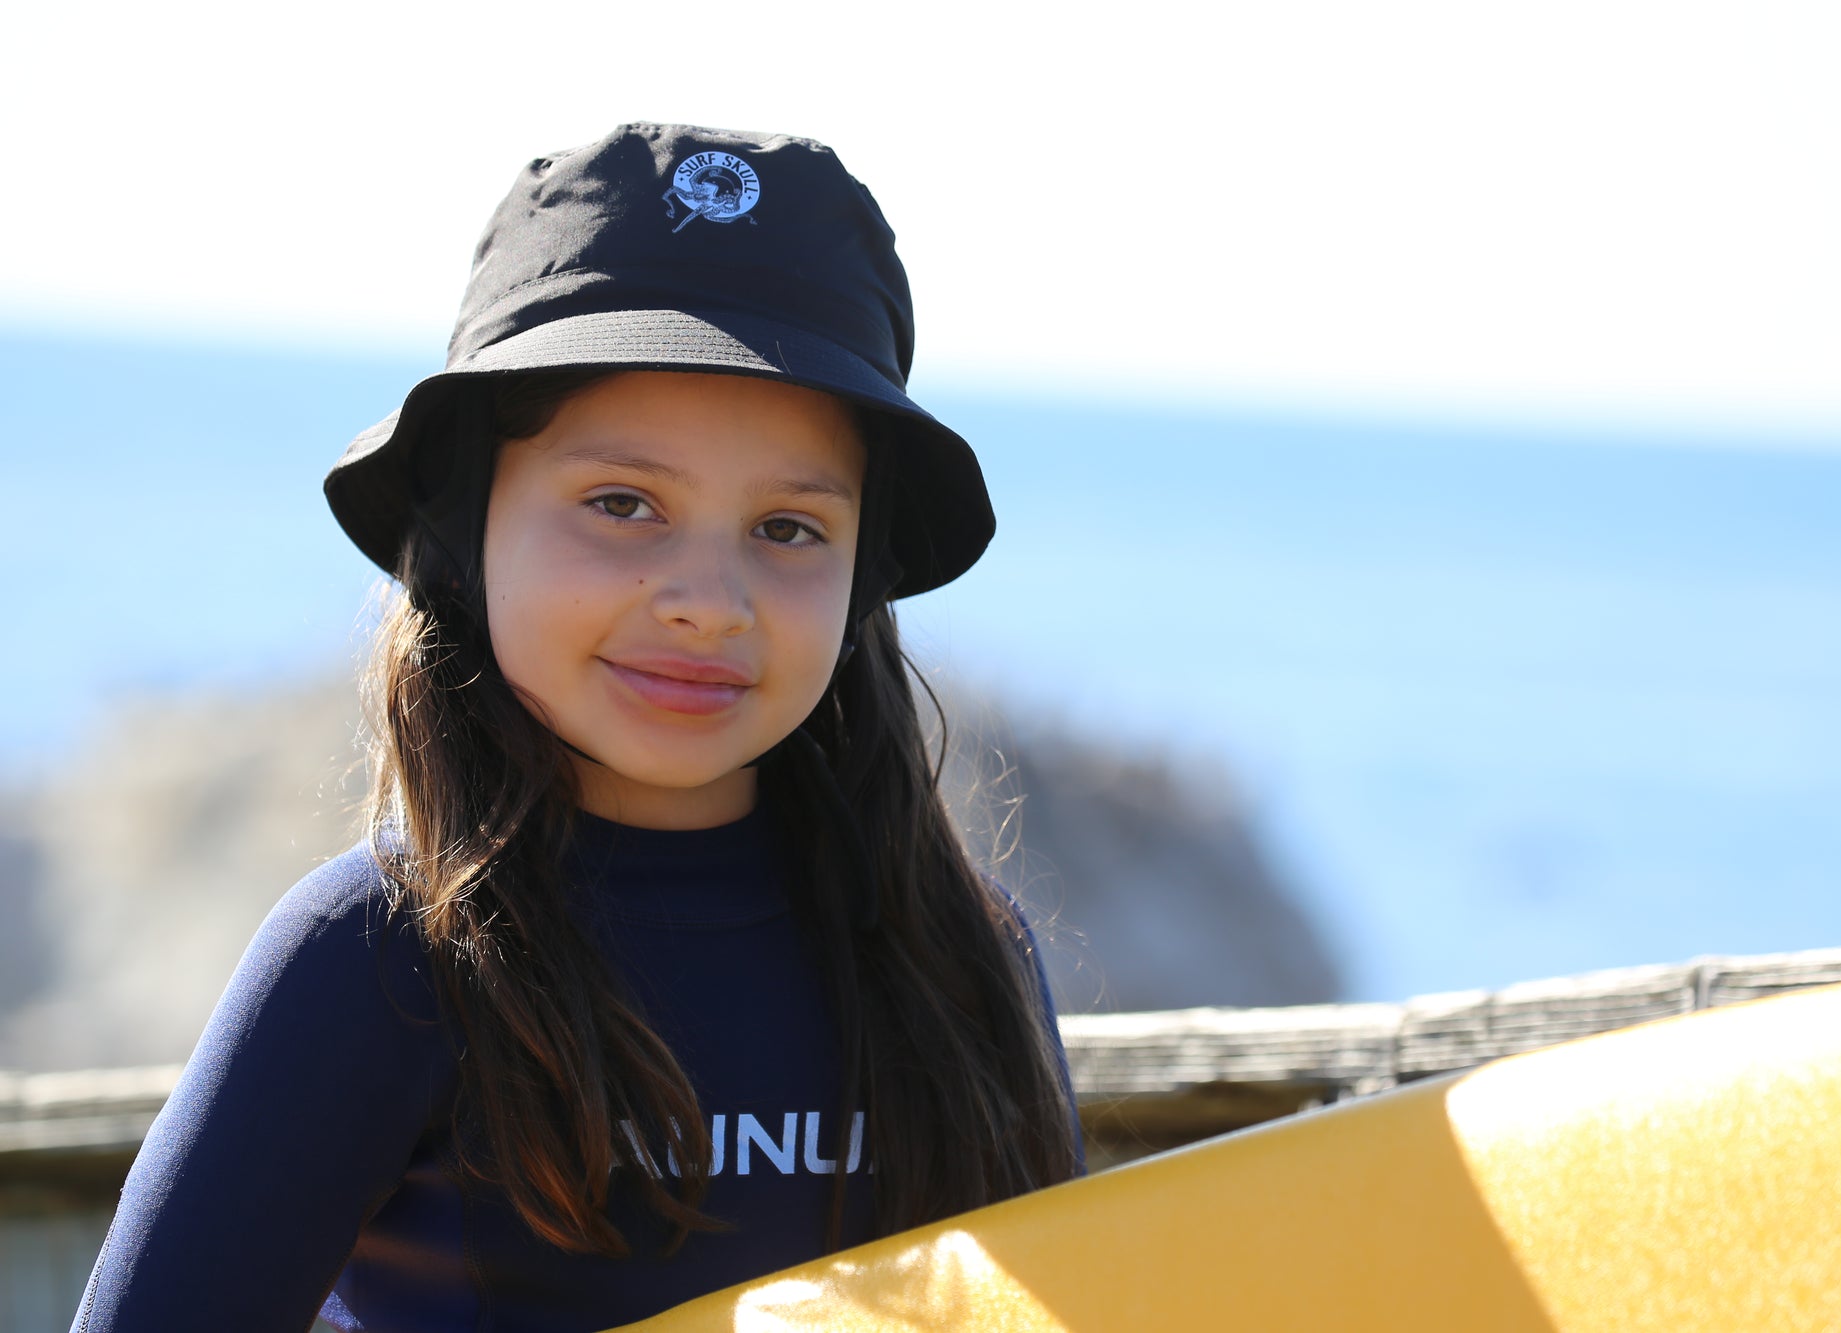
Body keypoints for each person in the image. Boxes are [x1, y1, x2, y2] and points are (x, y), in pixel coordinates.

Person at [71, 123, 1085, 1332]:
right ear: (463, 526)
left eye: (788, 528)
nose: (707, 601)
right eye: (621, 503)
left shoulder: (960, 959)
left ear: (862, 572)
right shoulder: (378, 958)